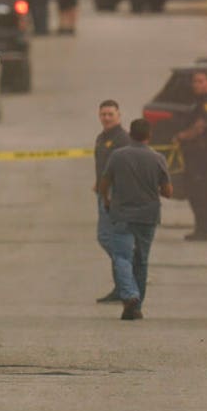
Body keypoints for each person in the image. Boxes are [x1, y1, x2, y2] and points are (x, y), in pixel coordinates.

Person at [98, 118, 173, 321]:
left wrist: (106, 201)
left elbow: (103, 184)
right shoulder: (158, 158)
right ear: (149, 136)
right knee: (141, 260)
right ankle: (136, 307)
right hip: (148, 217)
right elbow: (167, 192)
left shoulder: (117, 156)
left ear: (130, 134)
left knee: (122, 257)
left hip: (122, 215)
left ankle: (129, 295)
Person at [175, 71, 207, 241]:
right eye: (194, 81)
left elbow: (200, 126)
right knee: (193, 191)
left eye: (201, 81)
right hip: (193, 153)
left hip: (202, 154)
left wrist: (182, 136)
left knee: (201, 192)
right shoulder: (197, 102)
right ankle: (200, 228)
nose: (197, 85)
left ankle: (204, 230)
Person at [93, 100, 130, 303]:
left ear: (119, 115)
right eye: (103, 114)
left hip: (113, 195)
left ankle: (127, 267)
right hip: (103, 190)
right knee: (110, 238)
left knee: (107, 237)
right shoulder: (102, 137)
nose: (106, 118)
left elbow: (123, 170)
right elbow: (103, 164)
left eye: (110, 114)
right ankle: (121, 286)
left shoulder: (122, 139)